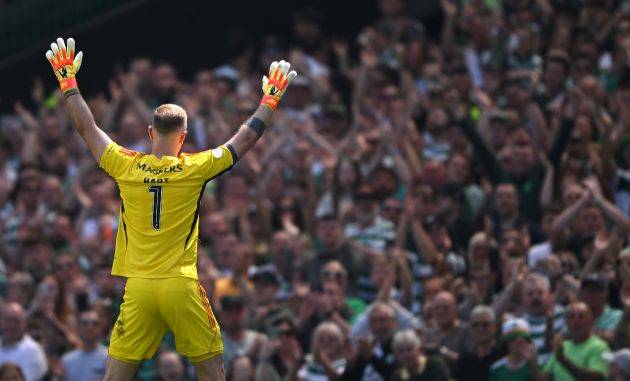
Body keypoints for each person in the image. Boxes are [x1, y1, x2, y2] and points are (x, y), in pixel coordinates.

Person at [44, 37, 296, 380]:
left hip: (140, 288)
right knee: (211, 373)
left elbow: (87, 128)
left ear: (150, 132)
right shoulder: (196, 167)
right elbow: (245, 139)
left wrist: (68, 83)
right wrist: (270, 99)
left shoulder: (126, 166)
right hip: (180, 285)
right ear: (184, 136)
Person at [543, 302, 610, 381]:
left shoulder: (600, 347)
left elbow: (596, 378)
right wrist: (531, 361)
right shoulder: (563, 346)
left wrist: (564, 361)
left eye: (581, 317)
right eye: (571, 317)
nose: (576, 320)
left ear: (592, 322)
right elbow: (545, 378)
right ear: (566, 322)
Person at [0, 303, 47, 381]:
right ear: (1, 322)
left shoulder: (33, 350)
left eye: (16, 321)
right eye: (8, 320)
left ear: (24, 323)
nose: (11, 325)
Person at [456, 305, 504, 381]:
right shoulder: (464, 360)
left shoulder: (503, 355)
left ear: (495, 327)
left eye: (485, 325)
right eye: (475, 325)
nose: (480, 329)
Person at [60, 310, 108, 381]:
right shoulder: (67, 360)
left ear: (101, 328)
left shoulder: (109, 358)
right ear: (78, 328)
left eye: (95, 324)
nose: (90, 327)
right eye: (85, 323)